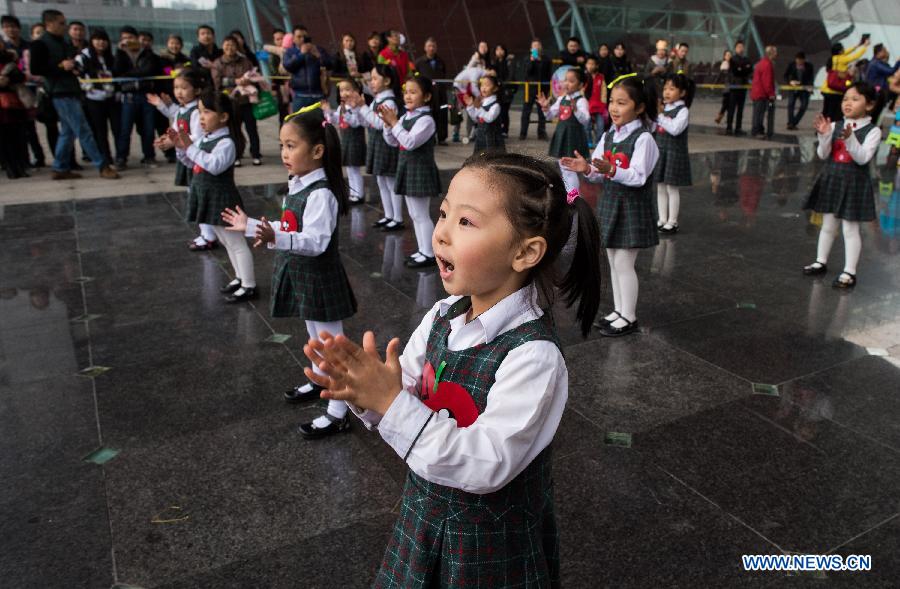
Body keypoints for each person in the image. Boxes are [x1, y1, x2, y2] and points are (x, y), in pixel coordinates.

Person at [302, 151, 602, 586]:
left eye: (465, 221)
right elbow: (401, 391)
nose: (440, 232)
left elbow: (487, 463)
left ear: (525, 252)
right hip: (424, 518)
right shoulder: (443, 315)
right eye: (443, 213)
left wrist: (390, 402)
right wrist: (363, 391)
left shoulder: (533, 356)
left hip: (490, 546)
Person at [222, 103, 357, 436]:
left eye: (291, 145)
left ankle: (339, 411)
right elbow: (288, 226)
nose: (284, 153)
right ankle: (320, 380)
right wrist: (251, 225)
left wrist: (277, 237)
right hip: (304, 275)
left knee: (331, 345)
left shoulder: (321, 193)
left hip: (320, 278)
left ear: (317, 151)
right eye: (282, 145)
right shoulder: (298, 184)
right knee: (314, 337)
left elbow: (316, 242)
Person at [561, 73, 659, 337]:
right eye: (612, 102)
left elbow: (638, 177)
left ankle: (629, 316)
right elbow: (597, 170)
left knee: (624, 263)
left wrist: (611, 170)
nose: (614, 108)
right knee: (614, 262)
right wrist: (587, 168)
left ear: (640, 107)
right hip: (612, 205)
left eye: (622, 103)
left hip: (632, 209)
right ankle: (619, 310)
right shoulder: (609, 135)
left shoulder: (644, 139)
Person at [169, 89, 257, 302]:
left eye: (207, 112)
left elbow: (214, 165)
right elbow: (191, 162)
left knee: (236, 243)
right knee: (226, 241)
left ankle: (249, 285)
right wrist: (181, 148)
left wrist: (190, 148)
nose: (201, 117)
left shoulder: (226, 143)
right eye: (200, 112)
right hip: (209, 197)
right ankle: (240, 278)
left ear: (224, 116)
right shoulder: (205, 139)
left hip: (223, 199)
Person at [802, 82, 881, 289]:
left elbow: (863, 158)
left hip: (854, 183)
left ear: (869, 105)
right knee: (828, 225)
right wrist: (824, 135)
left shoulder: (873, 131)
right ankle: (820, 261)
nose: (848, 103)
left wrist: (851, 139)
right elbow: (823, 154)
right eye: (845, 99)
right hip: (833, 178)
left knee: (850, 229)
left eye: (855, 99)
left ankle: (849, 272)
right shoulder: (835, 125)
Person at [29, 9, 119, 180]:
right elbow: (36, 68)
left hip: (72, 89)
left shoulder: (63, 42)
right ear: (49, 23)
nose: (65, 26)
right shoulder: (40, 44)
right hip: (59, 92)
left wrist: (73, 67)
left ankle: (60, 167)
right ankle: (102, 165)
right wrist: (60, 66)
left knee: (68, 132)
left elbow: (73, 64)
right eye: (61, 23)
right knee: (83, 130)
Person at [148, 68, 216, 252]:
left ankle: (209, 235)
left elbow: (198, 137)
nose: (179, 92)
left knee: (199, 198)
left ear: (197, 90)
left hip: (196, 159)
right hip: (187, 158)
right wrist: (166, 139)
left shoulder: (195, 112)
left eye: (184, 88)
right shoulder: (182, 110)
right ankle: (206, 233)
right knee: (194, 196)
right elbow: (175, 126)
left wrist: (174, 142)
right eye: (176, 87)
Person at [382, 74, 442, 269]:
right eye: (406, 92)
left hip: (420, 171)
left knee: (421, 214)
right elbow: (393, 141)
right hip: (408, 168)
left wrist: (394, 124)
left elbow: (409, 142)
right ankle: (422, 250)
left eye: (413, 92)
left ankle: (429, 253)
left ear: (427, 97)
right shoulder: (406, 116)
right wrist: (388, 126)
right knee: (414, 214)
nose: (407, 96)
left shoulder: (427, 120)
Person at [356, 64, 403, 230]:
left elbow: (378, 123)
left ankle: (397, 217)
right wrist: (359, 109)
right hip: (377, 144)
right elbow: (368, 121)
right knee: (381, 181)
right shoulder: (377, 100)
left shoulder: (389, 102)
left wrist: (362, 107)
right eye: (371, 79)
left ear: (387, 81)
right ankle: (388, 215)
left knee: (390, 182)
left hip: (387, 145)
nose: (372, 82)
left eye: (375, 78)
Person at [113, 25, 160, 167]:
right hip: (128, 96)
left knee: (148, 129)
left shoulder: (147, 53)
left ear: (137, 38)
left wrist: (128, 74)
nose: (128, 41)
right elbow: (117, 71)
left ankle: (149, 156)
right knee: (125, 130)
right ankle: (121, 158)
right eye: (124, 38)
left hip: (146, 95)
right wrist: (120, 52)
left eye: (131, 37)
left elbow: (148, 70)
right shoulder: (121, 54)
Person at [211, 35, 262, 166]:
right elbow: (217, 82)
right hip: (230, 102)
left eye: (232, 45)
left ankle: (256, 154)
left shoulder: (245, 61)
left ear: (237, 47)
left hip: (246, 100)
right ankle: (236, 155)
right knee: (234, 130)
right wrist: (235, 81)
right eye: (227, 45)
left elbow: (254, 74)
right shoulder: (218, 63)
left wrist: (248, 79)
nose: (230, 47)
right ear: (222, 46)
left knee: (252, 129)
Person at [654, 72, 695, 234]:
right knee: (660, 186)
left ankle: (672, 221)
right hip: (661, 152)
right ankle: (662, 219)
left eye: (672, 89)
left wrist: (660, 116)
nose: (667, 92)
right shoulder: (663, 108)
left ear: (682, 92)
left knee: (672, 187)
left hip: (674, 153)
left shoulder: (683, 111)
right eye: (665, 88)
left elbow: (675, 129)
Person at [538, 67, 589, 192]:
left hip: (573, 136)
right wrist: (545, 108)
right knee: (563, 166)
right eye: (565, 80)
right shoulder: (562, 99)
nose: (566, 83)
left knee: (569, 168)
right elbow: (550, 115)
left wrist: (576, 109)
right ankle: (571, 193)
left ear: (580, 85)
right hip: (562, 134)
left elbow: (586, 120)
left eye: (571, 81)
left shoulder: (581, 100)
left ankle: (573, 195)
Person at [76, 28, 120, 168]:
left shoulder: (110, 57)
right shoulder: (83, 57)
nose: (101, 42)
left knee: (118, 129)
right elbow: (78, 77)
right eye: (97, 39)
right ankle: (105, 159)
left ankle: (120, 157)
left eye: (104, 39)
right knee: (100, 131)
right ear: (91, 41)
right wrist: (90, 88)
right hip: (93, 99)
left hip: (111, 98)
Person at [322, 78, 367, 203]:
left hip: (355, 141)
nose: (344, 93)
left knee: (355, 169)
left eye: (347, 89)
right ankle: (353, 193)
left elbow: (355, 123)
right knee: (349, 169)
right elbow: (335, 120)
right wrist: (328, 111)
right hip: (345, 141)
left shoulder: (357, 107)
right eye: (341, 90)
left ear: (356, 90)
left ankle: (359, 194)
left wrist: (346, 113)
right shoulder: (342, 107)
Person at [821, 38, 869, 122]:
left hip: (827, 88)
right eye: (843, 48)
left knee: (826, 110)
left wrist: (858, 45)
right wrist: (865, 47)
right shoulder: (843, 59)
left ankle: (821, 125)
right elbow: (855, 56)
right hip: (836, 90)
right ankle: (829, 126)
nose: (844, 50)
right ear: (840, 51)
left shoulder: (834, 58)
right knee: (834, 112)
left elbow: (846, 52)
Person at [0, 46, 30, 178]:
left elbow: (21, 77)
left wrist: (8, 79)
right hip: (5, 105)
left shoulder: (10, 60)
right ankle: (10, 167)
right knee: (5, 138)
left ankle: (19, 166)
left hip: (12, 103)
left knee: (17, 136)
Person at [415, 37, 448, 143]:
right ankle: (429, 138)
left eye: (433, 46)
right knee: (428, 115)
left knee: (442, 115)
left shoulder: (440, 62)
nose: (431, 48)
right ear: (425, 48)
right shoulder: (419, 62)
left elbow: (443, 75)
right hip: (427, 93)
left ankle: (442, 138)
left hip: (440, 93)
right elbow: (416, 77)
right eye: (429, 46)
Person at [283, 25, 323, 111]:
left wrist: (317, 55)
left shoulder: (316, 49)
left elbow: (329, 64)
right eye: (299, 36)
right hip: (300, 95)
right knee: (299, 119)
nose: (302, 39)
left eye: (304, 36)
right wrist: (301, 54)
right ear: (293, 39)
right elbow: (288, 66)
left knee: (322, 118)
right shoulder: (290, 52)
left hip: (318, 94)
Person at [520, 38, 551, 140]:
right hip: (530, 89)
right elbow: (526, 73)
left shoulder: (546, 59)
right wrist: (532, 61)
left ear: (541, 47)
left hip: (542, 89)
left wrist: (548, 89)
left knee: (542, 112)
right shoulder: (527, 59)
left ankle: (541, 133)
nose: (536, 47)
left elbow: (548, 74)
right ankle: (523, 133)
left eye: (538, 45)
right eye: (534, 46)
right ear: (531, 48)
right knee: (526, 112)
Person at [465, 74, 504, 153]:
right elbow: (475, 118)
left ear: (495, 88)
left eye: (487, 85)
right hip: (481, 136)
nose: (483, 88)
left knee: (492, 158)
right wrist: (470, 106)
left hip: (492, 138)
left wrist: (479, 108)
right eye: (482, 85)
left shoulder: (495, 105)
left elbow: (489, 118)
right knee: (480, 157)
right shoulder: (482, 101)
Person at [866, 44, 899, 126]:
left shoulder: (876, 63)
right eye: (884, 50)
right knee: (876, 113)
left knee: (877, 113)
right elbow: (891, 72)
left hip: (879, 92)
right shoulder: (876, 64)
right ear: (879, 53)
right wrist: (898, 61)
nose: (887, 52)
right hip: (878, 92)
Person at [725, 40, 752, 136]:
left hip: (743, 87)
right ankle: (729, 127)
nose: (741, 49)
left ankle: (738, 128)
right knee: (731, 108)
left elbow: (749, 69)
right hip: (734, 87)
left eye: (742, 47)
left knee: (740, 109)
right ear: (735, 48)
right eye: (739, 47)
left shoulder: (746, 59)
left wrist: (741, 69)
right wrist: (743, 69)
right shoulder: (733, 60)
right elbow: (735, 71)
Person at [751, 45, 777, 139]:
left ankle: (757, 130)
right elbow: (767, 82)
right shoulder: (767, 65)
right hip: (761, 94)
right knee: (759, 114)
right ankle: (757, 131)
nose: (776, 54)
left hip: (757, 92)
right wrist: (771, 94)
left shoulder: (761, 63)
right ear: (771, 53)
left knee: (757, 113)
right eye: (775, 52)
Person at [784, 51, 814, 130]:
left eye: (800, 60)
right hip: (793, 88)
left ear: (804, 60)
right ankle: (790, 123)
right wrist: (790, 82)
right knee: (791, 104)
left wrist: (810, 87)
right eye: (797, 60)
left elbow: (811, 78)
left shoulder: (809, 66)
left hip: (804, 89)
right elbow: (785, 75)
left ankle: (794, 122)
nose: (799, 62)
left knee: (804, 105)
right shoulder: (791, 65)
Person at [491, 44, 514, 138]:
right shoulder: (494, 63)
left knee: (504, 111)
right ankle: (497, 129)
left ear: (505, 51)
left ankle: (505, 131)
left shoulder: (508, 62)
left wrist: (502, 84)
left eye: (501, 49)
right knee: (496, 111)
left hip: (506, 91)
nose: (499, 51)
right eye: (497, 50)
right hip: (496, 91)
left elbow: (511, 75)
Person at [585, 55, 608, 147]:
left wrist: (603, 104)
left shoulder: (601, 77)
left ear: (597, 65)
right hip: (587, 105)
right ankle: (588, 141)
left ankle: (598, 142)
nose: (590, 66)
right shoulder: (584, 77)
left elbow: (604, 91)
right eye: (588, 64)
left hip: (599, 106)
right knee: (587, 125)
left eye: (592, 64)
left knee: (600, 126)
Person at [714, 49, 732, 125]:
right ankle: (720, 117)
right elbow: (720, 75)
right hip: (726, 87)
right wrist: (715, 84)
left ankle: (723, 118)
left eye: (730, 55)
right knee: (726, 103)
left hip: (731, 87)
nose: (729, 56)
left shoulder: (732, 64)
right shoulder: (724, 64)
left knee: (728, 104)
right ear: (724, 56)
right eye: (727, 55)